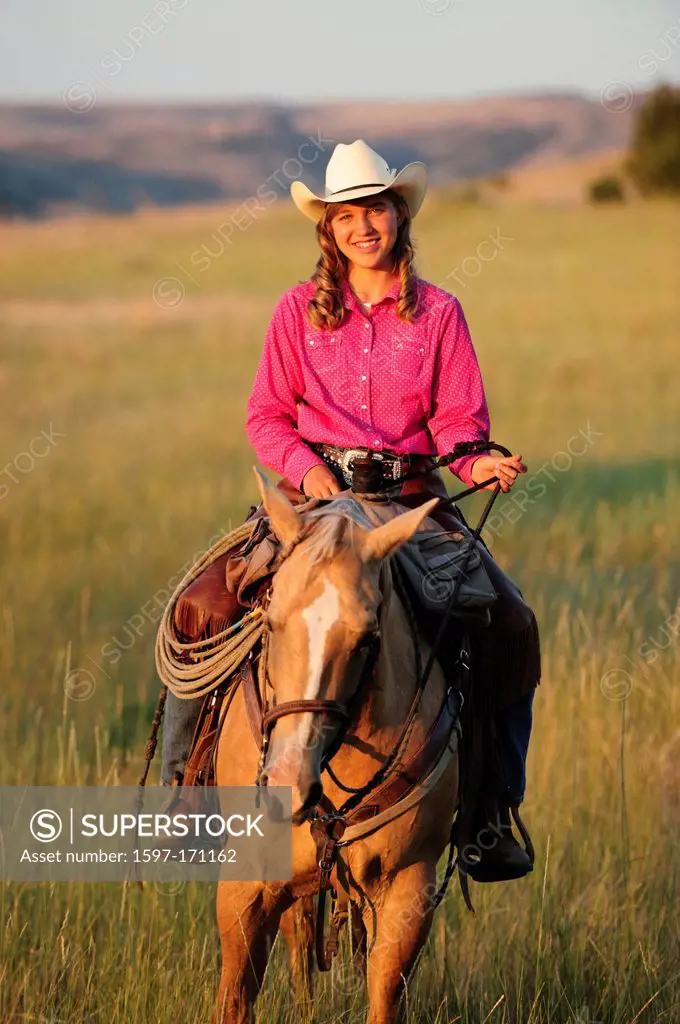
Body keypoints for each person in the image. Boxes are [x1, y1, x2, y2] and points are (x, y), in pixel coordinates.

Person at [160, 140, 540, 881]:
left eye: (376, 209)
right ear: (327, 230)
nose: (364, 226)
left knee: (510, 623)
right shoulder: (296, 312)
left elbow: (459, 424)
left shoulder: (439, 313)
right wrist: (310, 475)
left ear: (399, 216)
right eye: (346, 216)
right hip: (313, 503)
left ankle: (491, 813)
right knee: (199, 610)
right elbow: (267, 417)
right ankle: (188, 804)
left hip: (408, 505)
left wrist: (479, 460)